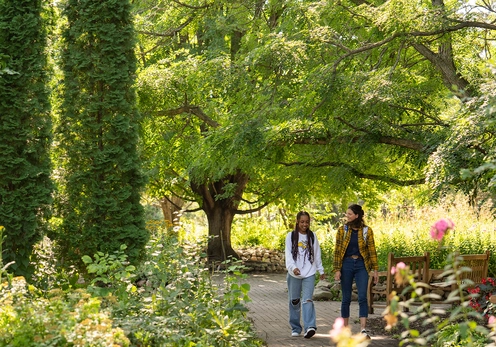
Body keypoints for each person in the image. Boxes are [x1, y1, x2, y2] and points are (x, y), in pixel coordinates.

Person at [333, 204, 379, 339]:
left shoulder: (367, 231)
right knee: (346, 298)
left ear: (357, 215)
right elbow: (337, 251)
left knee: (362, 297)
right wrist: (337, 269)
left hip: (361, 265)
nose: (347, 216)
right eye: (346, 214)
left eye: (349, 214)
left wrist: (375, 270)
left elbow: (372, 251)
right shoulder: (342, 230)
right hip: (346, 264)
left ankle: (363, 329)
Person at [285, 211, 326, 339]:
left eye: (307, 222)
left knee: (307, 300)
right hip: (294, 273)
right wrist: (293, 268)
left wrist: (321, 269)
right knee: (294, 301)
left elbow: (317, 253)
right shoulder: (290, 236)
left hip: (309, 272)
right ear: (297, 221)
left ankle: (310, 327)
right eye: (302, 222)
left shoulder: (312, 236)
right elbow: (288, 255)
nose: (304, 224)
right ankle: (296, 327)